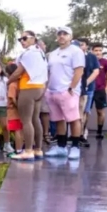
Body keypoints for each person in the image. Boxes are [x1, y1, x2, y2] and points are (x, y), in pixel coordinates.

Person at [44, 26, 85, 160]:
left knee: (73, 119)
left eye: (65, 34)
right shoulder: (53, 53)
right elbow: (50, 72)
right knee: (58, 119)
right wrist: (47, 89)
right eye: (59, 34)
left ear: (70, 37)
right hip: (53, 91)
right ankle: (61, 147)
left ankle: (75, 147)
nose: (62, 36)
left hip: (68, 91)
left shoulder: (76, 51)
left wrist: (71, 88)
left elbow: (79, 71)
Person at [7, 30, 47, 160]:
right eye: (20, 39)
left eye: (25, 38)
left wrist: (7, 82)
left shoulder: (28, 53)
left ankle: (28, 151)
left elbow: (18, 72)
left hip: (28, 87)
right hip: (39, 87)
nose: (22, 41)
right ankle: (38, 150)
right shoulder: (40, 53)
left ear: (33, 38)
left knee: (26, 120)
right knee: (36, 119)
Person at [76, 38, 100, 147]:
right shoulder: (73, 56)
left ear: (86, 46)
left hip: (88, 89)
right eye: (78, 45)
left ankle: (82, 135)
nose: (80, 47)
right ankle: (73, 135)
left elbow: (96, 71)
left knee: (85, 112)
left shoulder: (91, 57)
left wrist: (85, 83)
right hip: (74, 89)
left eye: (82, 45)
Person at [90, 43, 107, 140]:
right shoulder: (88, 60)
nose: (98, 52)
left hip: (100, 90)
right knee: (85, 112)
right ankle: (82, 133)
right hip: (89, 90)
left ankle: (99, 132)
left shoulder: (105, 62)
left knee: (100, 112)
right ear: (92, 51)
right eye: (96, 50)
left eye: (100, 50)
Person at [5, 62, 24, 156]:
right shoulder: (20, 82)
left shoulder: (12, 84)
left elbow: (12, 98)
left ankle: (18, 150)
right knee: (21, 130)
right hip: (22, 111)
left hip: (14, 111)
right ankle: (22, 148)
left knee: (17, 130)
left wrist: (18, 107)